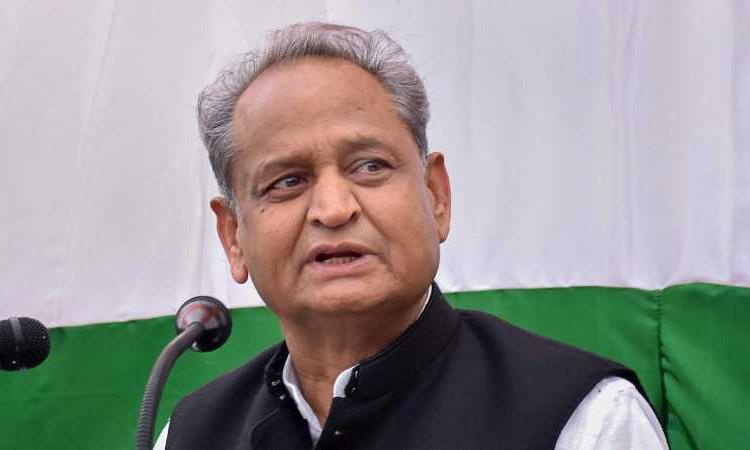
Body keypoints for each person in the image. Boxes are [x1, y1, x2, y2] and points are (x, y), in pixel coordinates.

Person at [156, 22, 668, 449]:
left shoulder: (585, 422)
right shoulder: (189, 436)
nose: (334, 209)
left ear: (436, 196)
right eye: (288, 182)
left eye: (370, 166)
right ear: (234, 237)